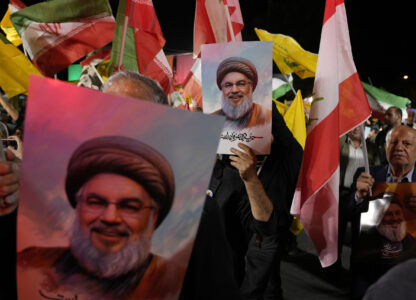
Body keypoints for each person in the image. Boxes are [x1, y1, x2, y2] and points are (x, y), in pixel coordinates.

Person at [18, 135, 185, 299]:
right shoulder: (31, 262)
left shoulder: (177, 283)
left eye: (130, 207)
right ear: (78, 206)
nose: (110, 218)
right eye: (96, 202)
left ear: (153, 216)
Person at [211, 103, 303, 299]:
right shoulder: (227, 160)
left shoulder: (288, 157)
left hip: (268, 243)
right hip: (232, 253)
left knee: (267, 287)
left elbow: (279, 127)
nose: (250, 128)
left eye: (257, 121)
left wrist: (258, 90)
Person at [351, 125, 416, 299]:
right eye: (393, 142)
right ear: (386, 148)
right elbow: (345, 213)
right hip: (367, 268)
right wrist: (357, 196)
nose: (399, 148)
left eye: (407, 144)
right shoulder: (366, 174)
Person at [353, 200, 416, 298]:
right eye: (388, 214)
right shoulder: (366, 239)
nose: (395, 218)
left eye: (398, 213)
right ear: (378, 218)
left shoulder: (411, 241)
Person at [337, 125, 380, 268]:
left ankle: (354, 270)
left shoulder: (372, 149)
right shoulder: (340, 143)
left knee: (358, 237)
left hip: (361, 198)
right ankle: (334, 267)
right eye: (353, 126)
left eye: (360, 127)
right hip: (340, 193)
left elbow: (377, 170)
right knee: (337, 234)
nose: (356, 129)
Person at [213, 56, 272, 130]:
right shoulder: (211, 120)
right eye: (228, 85)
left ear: (251, 86)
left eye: (241, 84)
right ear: (222, 88)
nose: (234, 90)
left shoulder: (268, 117)